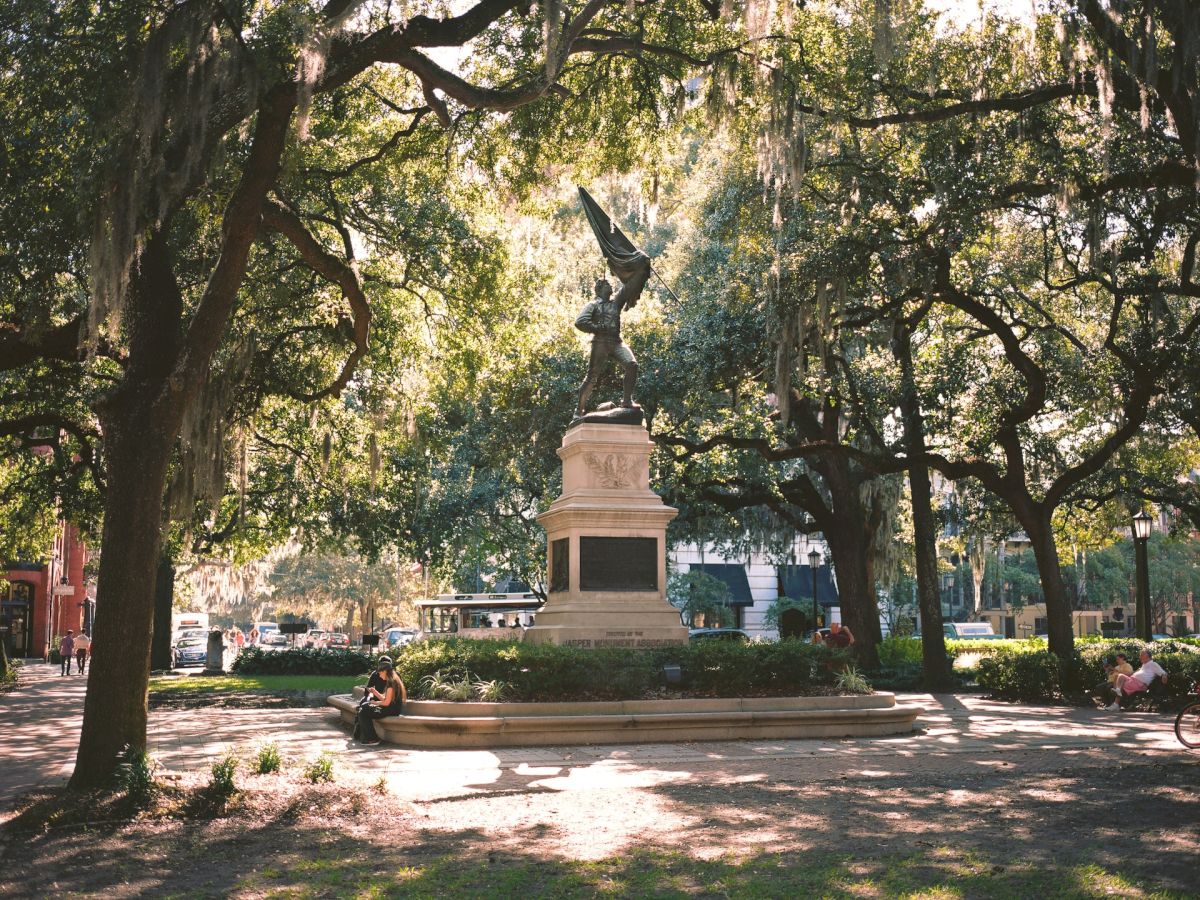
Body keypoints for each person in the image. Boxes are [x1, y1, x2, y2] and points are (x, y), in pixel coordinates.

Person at [573, 253, 652, 419]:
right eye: (607, 285)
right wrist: (596, 327)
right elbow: (580, 322)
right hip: (600, 342)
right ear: (600, 289)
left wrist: (642, 267)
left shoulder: (616, 302)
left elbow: (630, 285)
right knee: (591, 377)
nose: (611, 286)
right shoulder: (593, 305)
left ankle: (627, 400)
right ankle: (578, 412)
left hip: (616, 342)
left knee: (632, 364)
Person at [354, 656, 406, 745]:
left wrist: (373, 702)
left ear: (385, 671)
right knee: (363, 709)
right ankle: (370, 737)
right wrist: (375, 692)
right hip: (389, 707)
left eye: (380, 673)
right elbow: (385, 699)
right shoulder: (391, 681)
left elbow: (386, 703)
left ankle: (372, 739)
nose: (379, 675)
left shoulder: (391, 684)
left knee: (364, 709)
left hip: (392, 709)